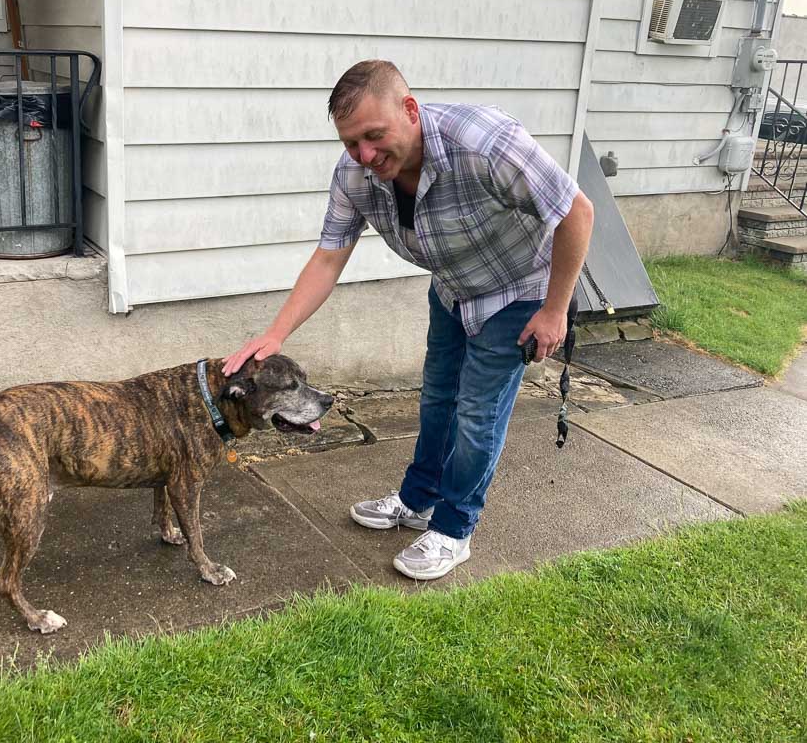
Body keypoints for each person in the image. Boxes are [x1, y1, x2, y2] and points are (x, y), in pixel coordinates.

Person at [222, 60, 594, 580]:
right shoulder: (355, 175)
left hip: (519, 293)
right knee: (437, 399)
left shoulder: (483, 142)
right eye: (352, 143)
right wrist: (275, 334)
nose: (365, 155)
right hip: (453, 289)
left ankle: (454, 529)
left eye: (374, 136)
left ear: (411, 110)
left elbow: (576, 211)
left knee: (476, 415)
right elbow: (329, 256)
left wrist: (555, 310)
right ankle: (419, 501)